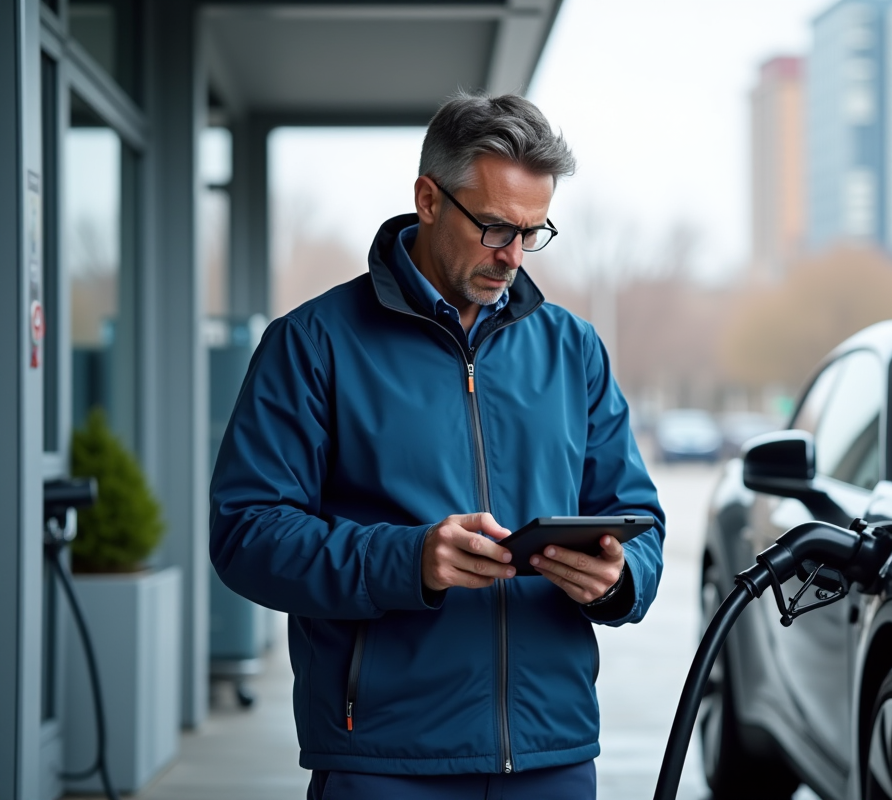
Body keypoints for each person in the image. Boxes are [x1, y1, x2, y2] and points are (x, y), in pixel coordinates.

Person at [209, 91, 665, 800]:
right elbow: (247, 535)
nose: (513, 256)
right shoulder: (313, 344)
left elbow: (638, 516)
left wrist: (621, 578)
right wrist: (410, 560)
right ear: (428, 198)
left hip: (553, 756)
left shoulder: (573, 350)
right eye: (493, 228)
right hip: (384, 759)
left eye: (533, 232)